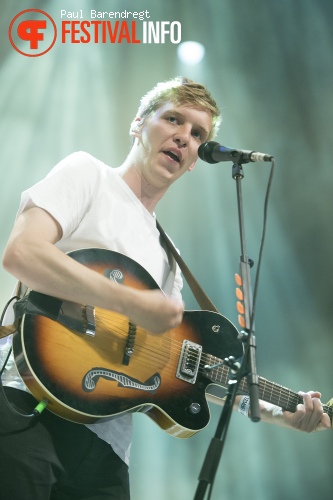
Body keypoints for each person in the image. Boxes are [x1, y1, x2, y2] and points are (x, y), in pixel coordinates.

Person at [0, 77, 330, 500]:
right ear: (138, 124)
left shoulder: (170, 260)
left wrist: (283, 412)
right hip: (27, 399)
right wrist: (130, 302)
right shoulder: (87, 174)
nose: (184, 137)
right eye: (173, 119)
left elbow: (185, 372)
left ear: (195, 161)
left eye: (198, 135)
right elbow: (22, 254)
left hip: (105, 449)